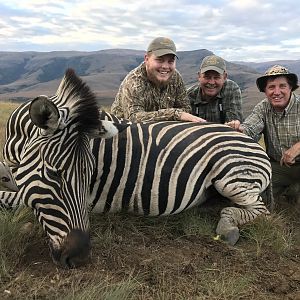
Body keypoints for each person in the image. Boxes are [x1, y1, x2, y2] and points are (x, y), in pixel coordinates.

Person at [226, 65, 300, 202]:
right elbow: (250, 128)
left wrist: (297, 148)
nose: (276, 92)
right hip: (278, 166)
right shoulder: (263, 108)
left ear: (291, 88)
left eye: (282, 86)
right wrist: (238, 129)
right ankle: (289, 189)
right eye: (271, 87)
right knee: (254, 196)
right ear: (265, 91)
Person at [111, 37, 204, 123]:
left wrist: (175, 115)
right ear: (147, 59)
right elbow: (134, 118)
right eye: (160, 60)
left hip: (162, 133)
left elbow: (186, 109)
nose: (165, 66)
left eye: (170, 61)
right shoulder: (134, 82)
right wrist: (174, 114)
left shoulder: (176, 78)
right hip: (127, 135)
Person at [187, 55, 243, 123]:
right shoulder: (189, 95)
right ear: (199, 76)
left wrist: (234, 123)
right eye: (207, 77)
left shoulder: (231, 89)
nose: (211, 82)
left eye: (216, 77)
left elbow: (234, 121)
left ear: (224, 77)